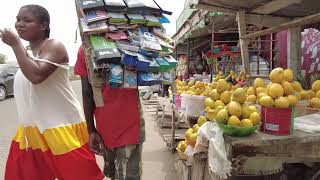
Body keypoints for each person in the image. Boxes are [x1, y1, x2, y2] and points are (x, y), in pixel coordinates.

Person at [1, 5, 103, 180]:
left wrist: (16, 44)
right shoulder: (27, 54)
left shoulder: (54, 46)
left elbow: (36, 75)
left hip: (61, 129)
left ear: (43, 25)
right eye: (18, 20)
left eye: (27, 20)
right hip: (31, 134)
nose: (19, 24)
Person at [74, 45, 145, 180]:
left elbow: (87, 91)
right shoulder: (131, 42)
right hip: (126, 126)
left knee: (117, 175)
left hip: (108, 127)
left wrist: (91, 130)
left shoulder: (86, 47)